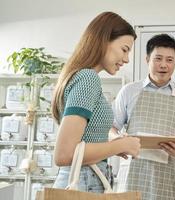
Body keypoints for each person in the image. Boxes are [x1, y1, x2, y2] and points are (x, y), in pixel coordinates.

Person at [51, 11, 140, 193]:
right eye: (124, 49)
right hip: (83, 182)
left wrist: (114, 144)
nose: (126, 59)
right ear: (103, 40)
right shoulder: (87, 78)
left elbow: (86, 136)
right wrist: (120, 145)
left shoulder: (82, 77)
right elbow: (64, 154)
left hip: (87, 180)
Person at [112, 34, 175, 200]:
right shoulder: (128, 91)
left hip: (168, 174)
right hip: (133, 171)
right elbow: (111, 127)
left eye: (169, 60)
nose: (163, 65)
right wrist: (119, 142)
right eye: (158, 58)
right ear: (147, 59)